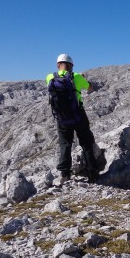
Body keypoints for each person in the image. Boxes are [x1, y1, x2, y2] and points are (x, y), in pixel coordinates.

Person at [46, 54, 99, 184]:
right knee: (86, 143)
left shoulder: (50, 77)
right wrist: (84, 80)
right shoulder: (76, 77)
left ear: (58, 65)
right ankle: (92, 174)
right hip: (78, 115)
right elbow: (90, 88)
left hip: (62, 117)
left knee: (65, 144)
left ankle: (65, 175)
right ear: (71, 66)